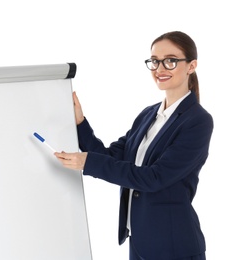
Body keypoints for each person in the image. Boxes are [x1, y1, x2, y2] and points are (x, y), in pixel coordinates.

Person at [54, 31, 214, 260]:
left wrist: (88, 162)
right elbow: (112, 158)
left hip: (174, 246)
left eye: (170, 60)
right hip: (139, 241)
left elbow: (154, 178)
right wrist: (80, 123)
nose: (160, 68)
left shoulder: (197, 120)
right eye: (155, 61)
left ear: (191, 65)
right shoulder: (147, 115)